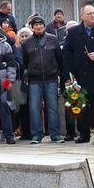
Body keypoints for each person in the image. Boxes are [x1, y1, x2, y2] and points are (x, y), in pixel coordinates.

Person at [63, 5, 94, 143]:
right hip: (80, 76)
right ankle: (84, 134)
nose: (92, 16)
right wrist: (68, 75)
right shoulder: (73, 31)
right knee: (82, 107)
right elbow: (67, 53)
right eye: (89, 13)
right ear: (82, 16)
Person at [22, 16, 64, 144]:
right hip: (34, 80)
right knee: (34, 108)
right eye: (36, 25)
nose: (38, 26)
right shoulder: (27, 42)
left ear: (44, 26)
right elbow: (25, 62)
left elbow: (59, 59)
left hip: (51, 79)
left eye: (41, 24)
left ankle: (55, 135)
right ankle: (36, 135)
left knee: (52, 108)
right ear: (32, 27)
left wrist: (57, 73)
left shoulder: (53, 39)